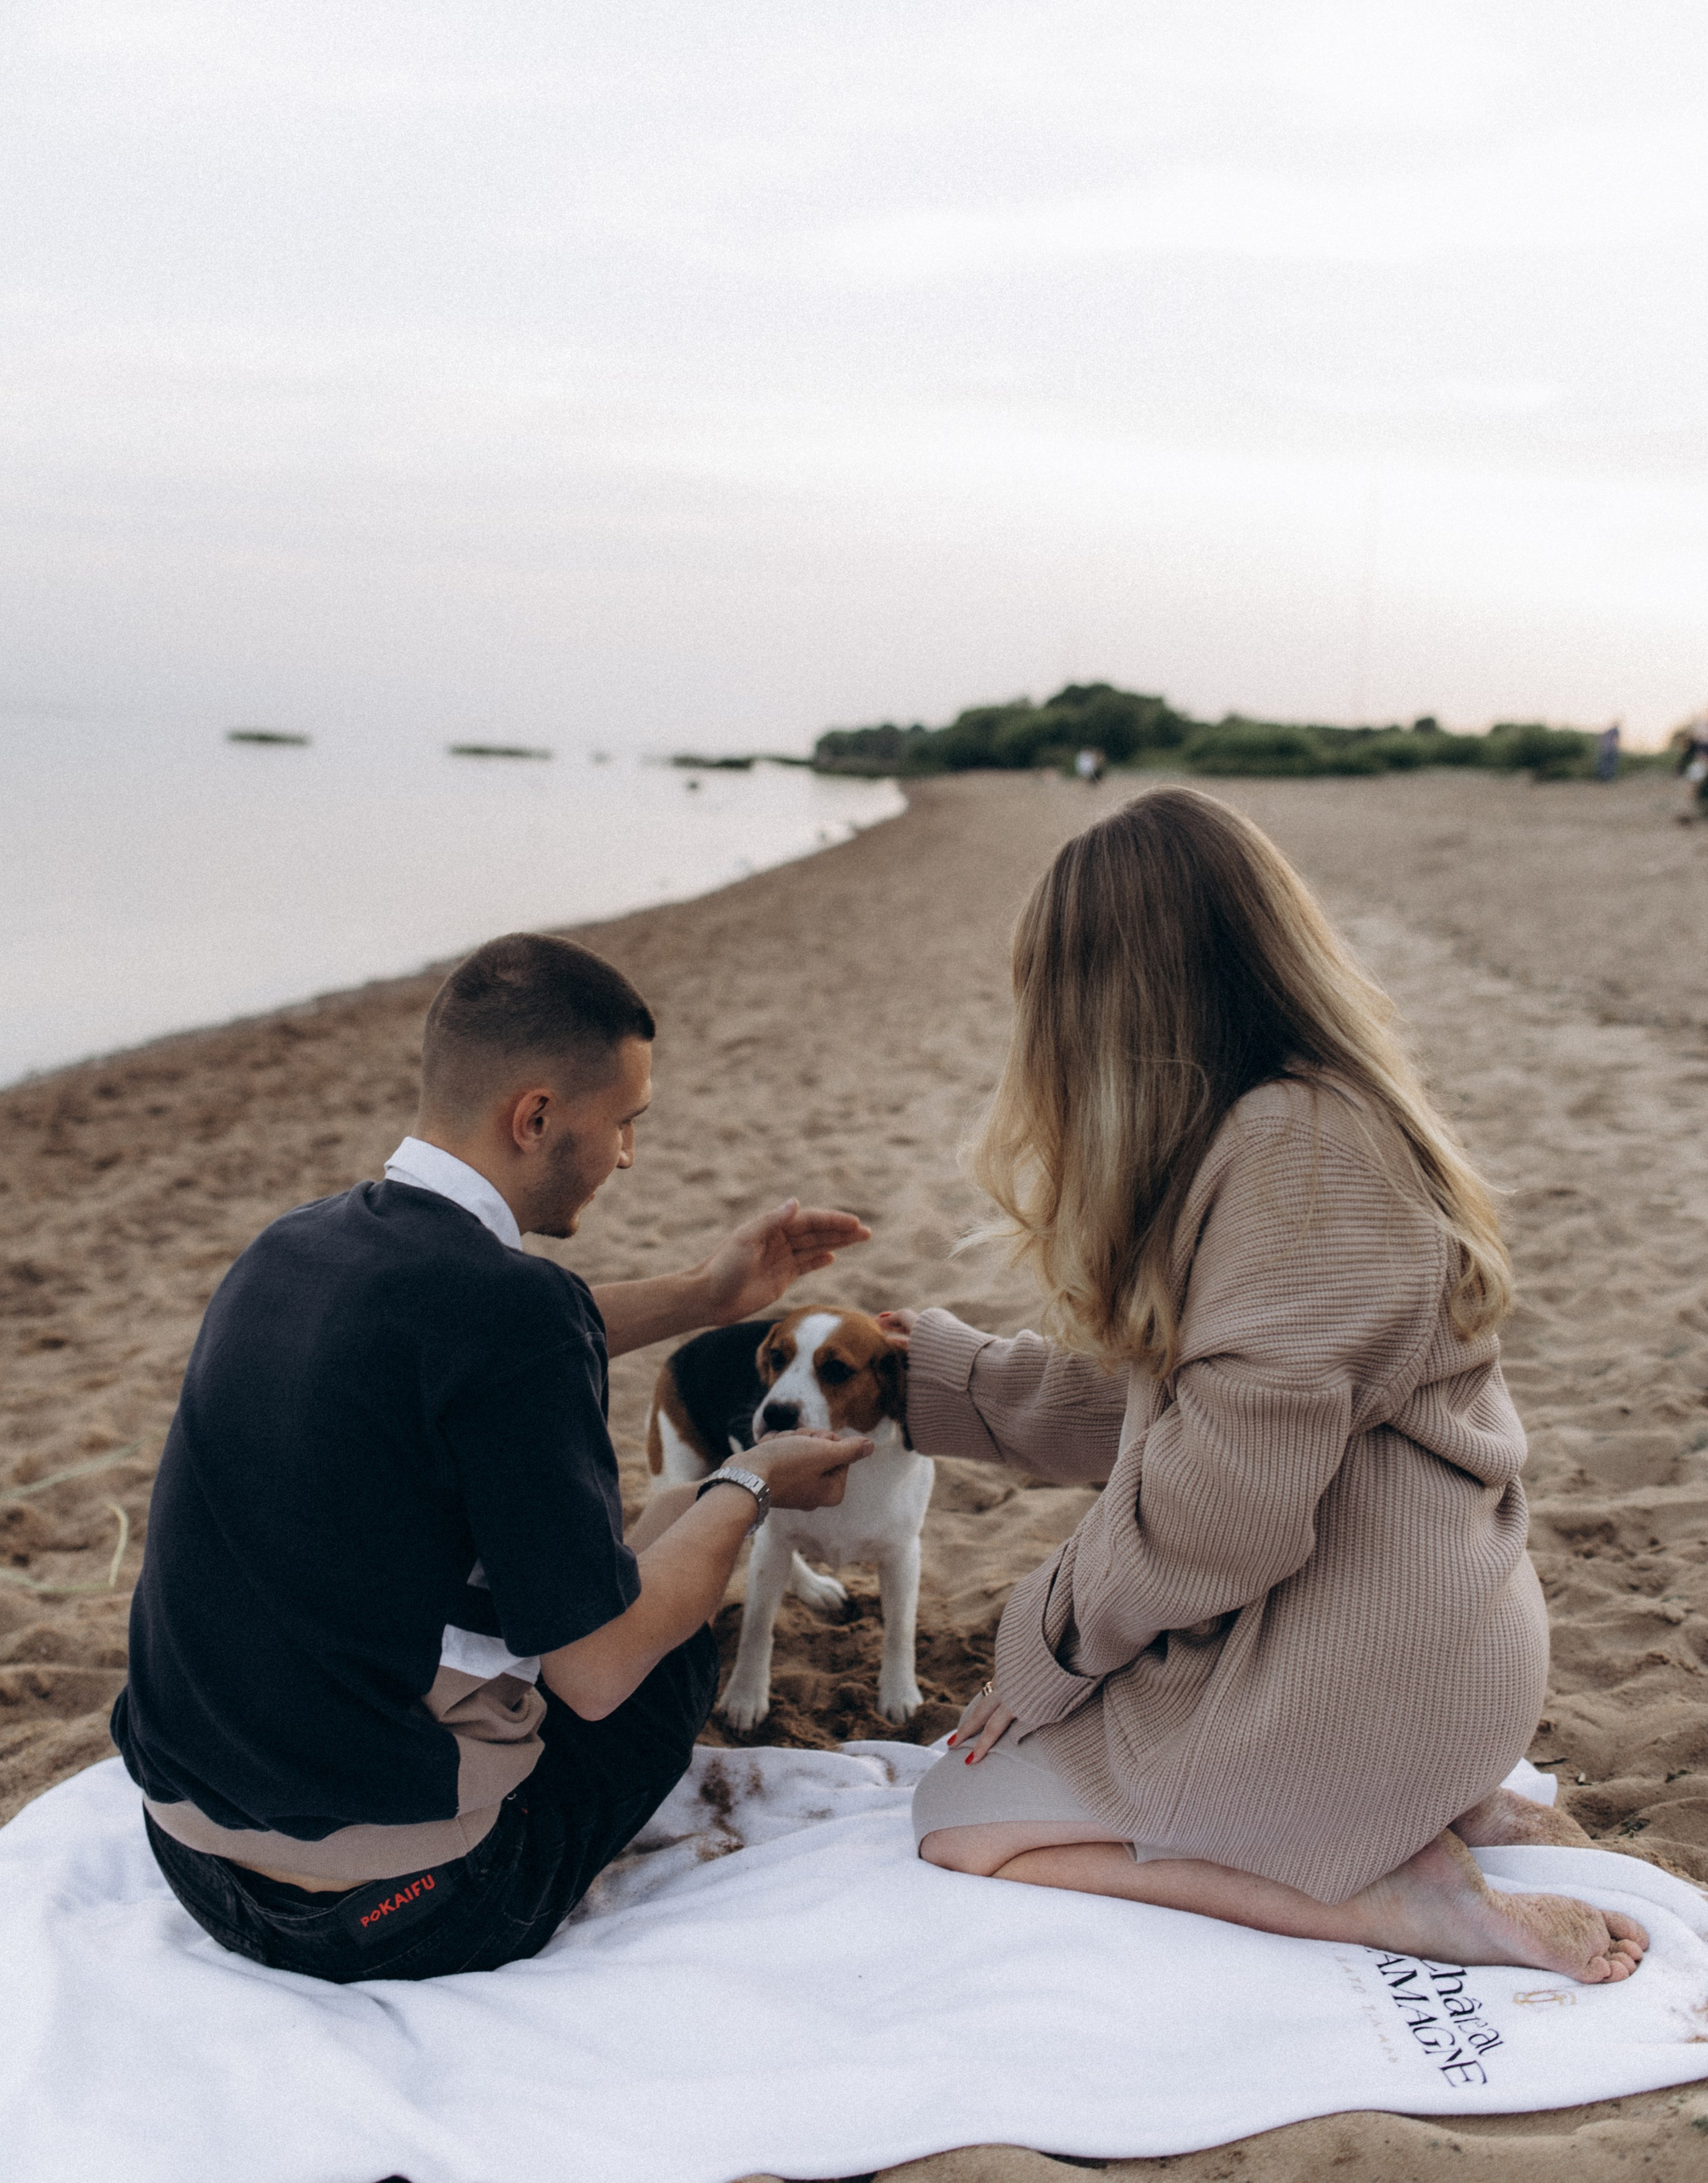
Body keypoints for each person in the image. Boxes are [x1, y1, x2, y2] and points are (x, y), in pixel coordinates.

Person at [887, 789, 1646, 1985]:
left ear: (1116, 1007)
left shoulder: (1297, 1155)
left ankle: (1384, 1897)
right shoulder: (1295, 1123)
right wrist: (924, 1380)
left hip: (1375, 1667)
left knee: (957, 1818)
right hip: (1418, 1634)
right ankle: (1418, 1806)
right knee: (1038, 1756)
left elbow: (1219, 1512)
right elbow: (1178, 1412)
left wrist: (1047, 1647)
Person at [111, 931, 873, 1983]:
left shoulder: (292, 1247)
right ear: (537, 1117)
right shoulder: (515, 1314)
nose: (628, 1157)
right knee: (667, 1623)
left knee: (624, 1547)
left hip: (189, 1860)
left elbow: (482, 1345)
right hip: (409, 1910)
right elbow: (598, 1677)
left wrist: (705, 1295)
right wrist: (748, 1485)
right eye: (625, 1125)